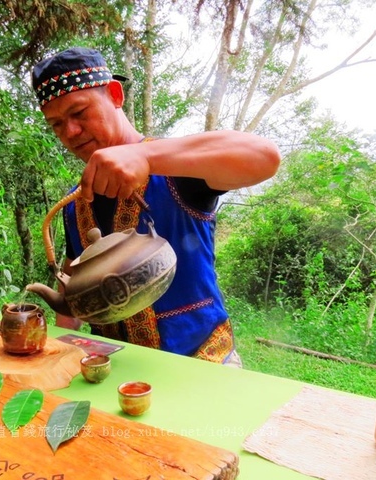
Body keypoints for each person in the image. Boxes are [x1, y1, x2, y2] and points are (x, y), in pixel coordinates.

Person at [30, 47, 280, 366]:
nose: (71, 132)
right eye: (57, 124)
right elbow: (71, 294)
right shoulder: (75, 203)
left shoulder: (175, 170)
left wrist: (145, 157)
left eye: (79, 113)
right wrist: (59, 352)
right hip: (112, 372)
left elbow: (265, 156)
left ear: (116, 95)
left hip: (200, 366)